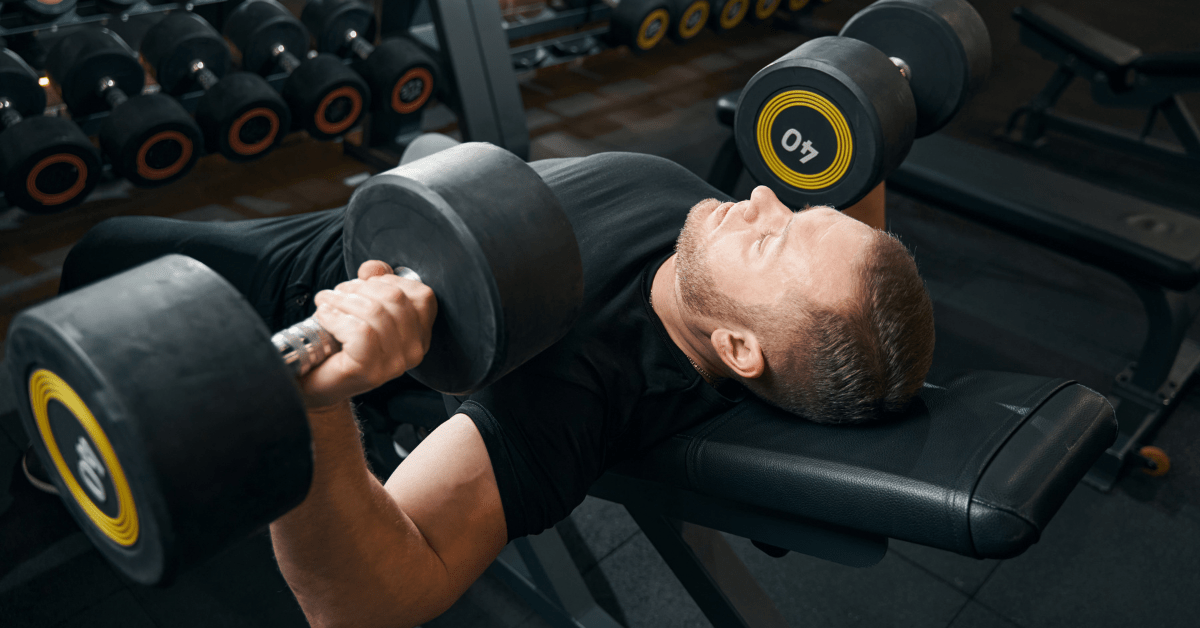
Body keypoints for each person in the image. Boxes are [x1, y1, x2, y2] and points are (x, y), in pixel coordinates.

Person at [53, 147, 934, 627]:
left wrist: (317, 400)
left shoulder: (581, 389)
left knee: (100, 267)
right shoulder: (713, 252)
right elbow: (846, 282)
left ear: (741, 348)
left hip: (277, 294)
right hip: (424, 196)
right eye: (798, 211)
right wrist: (875, 115)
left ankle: (46, 469)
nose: (767, 196)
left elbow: (371, 607)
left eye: (777, 238)